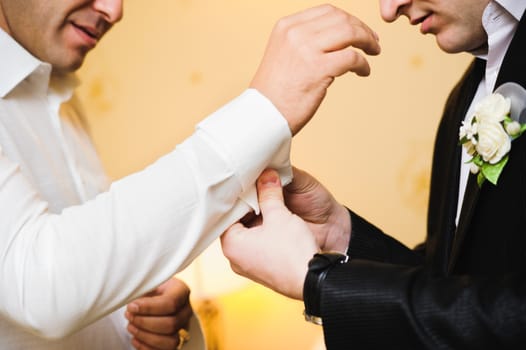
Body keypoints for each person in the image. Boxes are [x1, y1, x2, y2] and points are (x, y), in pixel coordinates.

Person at [0, 0, 381, 349]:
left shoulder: (57, 98)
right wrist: (262, 113)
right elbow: (38, 287)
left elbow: (79, 283)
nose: (114, 11)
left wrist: (163, 323)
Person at [221, 0, 526, 348]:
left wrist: (322, 282)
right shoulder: (467, 95)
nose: (390, 8)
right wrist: (340, 233)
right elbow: (450, 288)